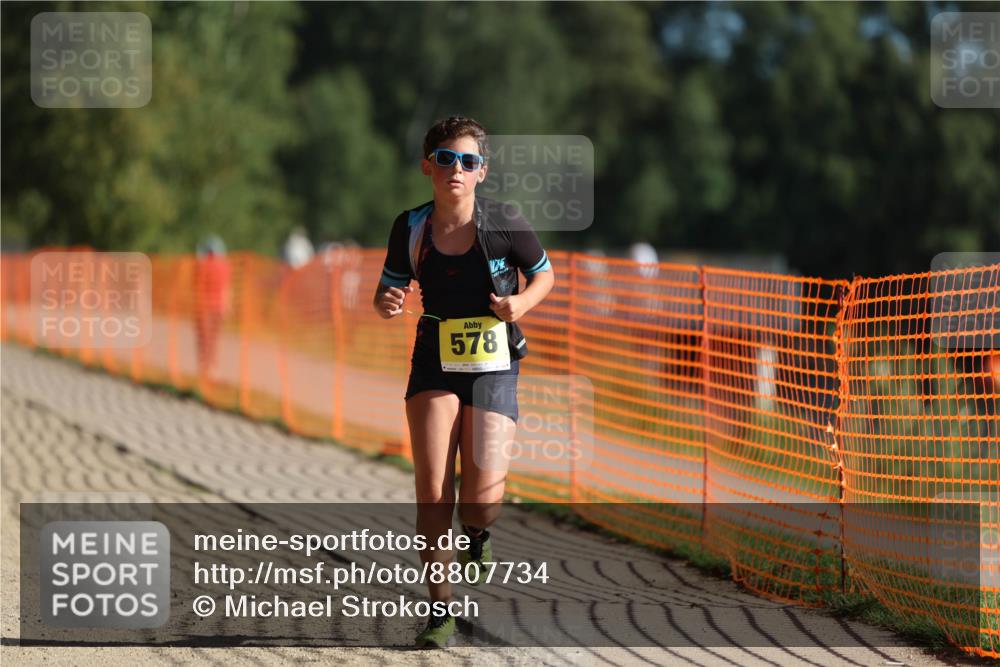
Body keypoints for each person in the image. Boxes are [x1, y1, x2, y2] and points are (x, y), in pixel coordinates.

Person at [373, 116, 554, 648]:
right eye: (447, 158)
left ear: (482, 172)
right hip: (434, 359)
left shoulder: (506, 222)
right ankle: (440, 608)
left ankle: (477, 532)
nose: (457, 168)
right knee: (433, 492)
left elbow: (546, 274)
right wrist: (386, 304)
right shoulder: (410, 227)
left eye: (469, 161)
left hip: (495, 365)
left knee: (480, 499)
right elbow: (388, 293)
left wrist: (519, 302)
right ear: (428, 165)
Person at [194, 235, 231, 378]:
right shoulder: (224, 265)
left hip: (204, 307)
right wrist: (227, 306)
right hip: (218, 307)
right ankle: (212, 367)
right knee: (213, 340)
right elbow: (227, 288)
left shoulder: (202, 265)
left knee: (204, 339)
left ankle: (205, 367)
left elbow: (196, 284)